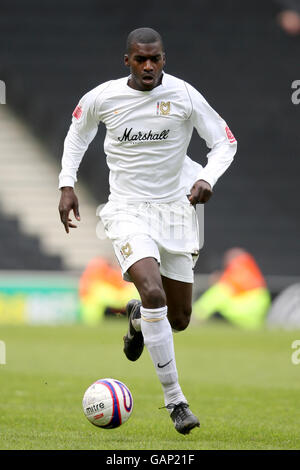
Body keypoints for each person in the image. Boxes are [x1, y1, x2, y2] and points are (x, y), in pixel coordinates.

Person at [58, 27, 237, 434]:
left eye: (155, 59)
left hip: (177, 212)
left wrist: (208, 178)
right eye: (140, 59)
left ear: (163, 59)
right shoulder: (102, 98)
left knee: (179, 318)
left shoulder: (184, 96)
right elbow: (77, 137)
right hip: (127, 210)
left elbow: (225, 142)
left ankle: (139, 319)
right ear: (127, 61)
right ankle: (176, 401)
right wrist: (66, 185)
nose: (148, 66)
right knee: (153, 290)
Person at [193, 248, 271, 329]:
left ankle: (197, 315)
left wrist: (219, 279)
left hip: (248, 306)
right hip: (257, 308)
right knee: (223, 289)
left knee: (220, 290)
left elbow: (231, 284)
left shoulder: (238, 265)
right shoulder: (250, 266)